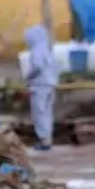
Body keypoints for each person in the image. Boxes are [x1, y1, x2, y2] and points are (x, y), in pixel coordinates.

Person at [24, 24, 59, 152]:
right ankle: (48, 138)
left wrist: (28, 77)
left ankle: (43, 139)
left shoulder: (36, 51)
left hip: (39, 86)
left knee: (39, 112)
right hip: (51, 84)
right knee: (47, 112)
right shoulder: (47, 49)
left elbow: (37, 67)